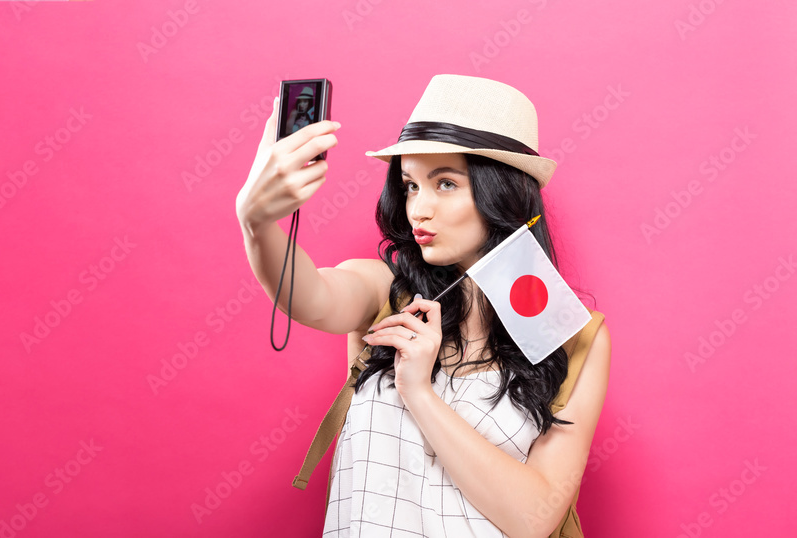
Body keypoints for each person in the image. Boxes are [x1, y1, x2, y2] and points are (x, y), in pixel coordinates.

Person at [235, 74, 611, 537]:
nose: (419, 208)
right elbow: (307, 296)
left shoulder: (570, 333)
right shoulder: (387, 294)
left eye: (445, 183)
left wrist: (420, 393)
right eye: (411, 185)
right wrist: (256, 221)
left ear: (505, 192)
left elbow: (533, 520)